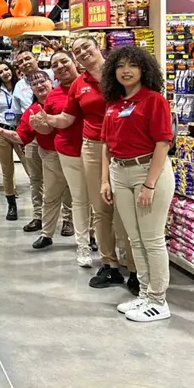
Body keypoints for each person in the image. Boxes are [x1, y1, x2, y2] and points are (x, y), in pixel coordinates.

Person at [34, 37, 138, 292]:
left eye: (85, 47)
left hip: (124, 145)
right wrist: (48, 120)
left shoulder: (119, 73)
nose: (82, 53)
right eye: (77, 50)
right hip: (92, 147)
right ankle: (109, 264)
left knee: (126, 210)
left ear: (97, 47)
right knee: (100, 208)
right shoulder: (79, 85)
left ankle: (135, 268)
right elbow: (67, 118)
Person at [100, 47, 174, 321]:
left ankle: (158, 300)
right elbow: (106, 145)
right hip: (120, 173)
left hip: (148, 172)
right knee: (134, 239)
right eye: (120, 65)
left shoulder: (154, 100)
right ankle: (144, 293)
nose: (126, 70)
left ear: (144, 69)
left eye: (132, 65)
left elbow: (163, 143)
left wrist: (150, 185)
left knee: (152, 239)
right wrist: (105, 180)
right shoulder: (114, 104)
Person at [0, 72, 73, 249]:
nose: (39, 85)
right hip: (50, 154)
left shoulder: (66, 98)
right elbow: (21, 136)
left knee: (77, 193)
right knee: (50, 194)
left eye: (42, 81)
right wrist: (2, 132)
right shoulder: (32, 110)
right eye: (34, 84)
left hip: (73, 152)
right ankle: (47, 233)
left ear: (51, 82)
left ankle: (81, 231)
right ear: (31, 89)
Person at [32, 50, 88, 266]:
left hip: (90, 151)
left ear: (74, 61)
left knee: (85, 198)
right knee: (52, 194)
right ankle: (47, 233)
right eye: (55, 65)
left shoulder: (89, 86)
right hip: (60, 152)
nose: (61, 67)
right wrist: (39, 125)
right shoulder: (53, 95)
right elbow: (48, 127)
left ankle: (90, 237)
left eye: (64, 61)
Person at [0, 61, 33, 221]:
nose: (4, 73)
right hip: (1, 132)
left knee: (30, 167)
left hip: (21, 131)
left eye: (6, 69)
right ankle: (11, 205)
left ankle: (40, 205)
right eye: (0, 72)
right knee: (7, 171)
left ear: (12, 70)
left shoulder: (22, 86)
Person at [13, 50, 47, 232]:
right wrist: (21, 139)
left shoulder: (51, 76)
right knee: (35, 178)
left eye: (28, 58)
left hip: (54, 132)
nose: (25, 63)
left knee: (61, 178)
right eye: (21, 61)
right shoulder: (19, 86)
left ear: (36, 59)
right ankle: (38, 216)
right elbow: (19, 114)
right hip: (32, 136)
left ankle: (67, 218)